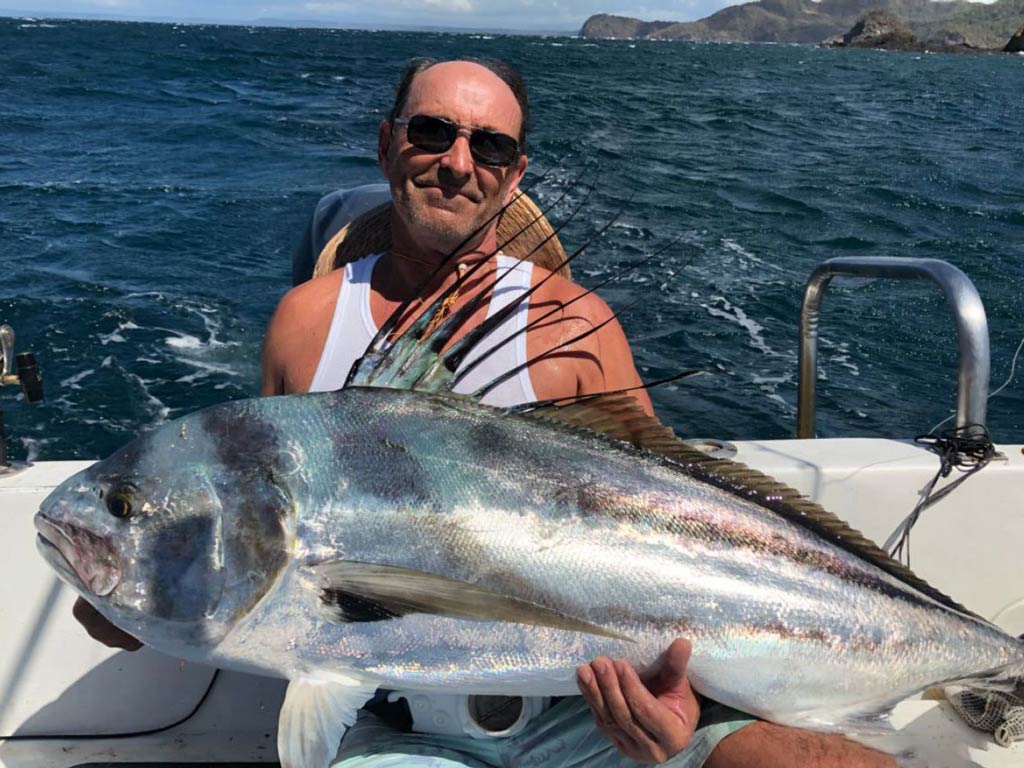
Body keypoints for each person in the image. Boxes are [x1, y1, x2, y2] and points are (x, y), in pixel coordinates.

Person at [79, 57, 896, 768]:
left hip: (588, 716)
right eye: (432, 132)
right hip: (399, 724)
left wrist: (671, 710)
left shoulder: (578, 324)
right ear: (387, 143)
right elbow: (270, 520)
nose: (457, 161)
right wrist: (145, 592)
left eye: (490, 145)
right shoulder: (307, 321)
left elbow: (668, 526)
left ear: (513, 173)